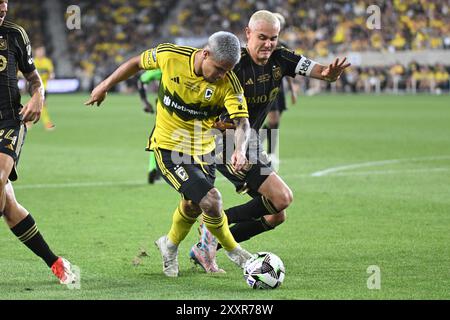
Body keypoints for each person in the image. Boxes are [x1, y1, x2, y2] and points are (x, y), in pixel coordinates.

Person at [189, 10, 350, 273]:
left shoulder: (281, 58)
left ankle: (208, 246)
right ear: (248, 33)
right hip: (222, 141)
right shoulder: (232, 64)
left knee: (275, 215)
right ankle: (213, 222)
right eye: (262, 37)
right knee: (282, 197)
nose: (268, 44)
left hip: (249, 140)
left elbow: (318, 70)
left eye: (273, 38)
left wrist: (329, 74)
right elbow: (199, 89)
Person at [85, 31, 254, 277]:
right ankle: (235, 252)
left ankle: (169, 245)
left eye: (227, 70)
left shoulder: (229, 83)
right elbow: (136, 63)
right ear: (205, 54)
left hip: (203, 150)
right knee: (212, 201)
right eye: (219, 68)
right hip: (169, 147)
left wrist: (240, 149)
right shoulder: (170, 56)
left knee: (193, 206)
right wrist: (104, 85)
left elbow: (243, 123)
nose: (222, 75)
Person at [0, 0, 76, 284]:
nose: (2, 9)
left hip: (8, 121)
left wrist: (38, 95)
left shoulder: (15, 35)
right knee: (8, 206)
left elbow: (34, 78)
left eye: (4, 4)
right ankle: (55, 262)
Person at [262, 12, 299, 170]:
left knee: (275, 121)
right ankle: (269, 153)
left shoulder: (283, 46)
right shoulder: (263, 43)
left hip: (279, 87)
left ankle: (270, 153)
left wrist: (293, 90)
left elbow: (289, 69)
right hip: (265, 85)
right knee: (272, 120)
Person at [136, 69, 162, 184]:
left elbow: (142, 80)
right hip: (184, 106)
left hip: (163, 104)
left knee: (158, 134)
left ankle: (153, 167)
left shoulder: (163, 68)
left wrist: (144, 101)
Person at [31, 46, 55, 130]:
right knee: (41, 105)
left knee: (37, 105)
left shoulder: (47, 62)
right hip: (35, 86)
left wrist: (51, 75)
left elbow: (51, 73)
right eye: (39, 51)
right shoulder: (33, 61)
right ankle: (47, 123)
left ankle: (27, 121)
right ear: (36, 52)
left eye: (42, 51)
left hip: (44, 87)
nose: (40, 53)